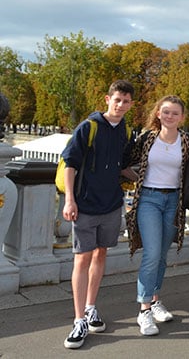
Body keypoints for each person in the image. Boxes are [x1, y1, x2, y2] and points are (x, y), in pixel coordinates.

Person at [61, 80, 135, 349]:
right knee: (81, 259)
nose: (120, 105)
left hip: (111, 203)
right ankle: (79, 319)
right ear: (107, 99)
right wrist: (70, 200)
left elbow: (122, 165)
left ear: (131, 104)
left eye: (126, 101)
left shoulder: (124, 130)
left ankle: (91, 306)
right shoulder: (88, 127)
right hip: (85, 204)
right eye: (117, 100)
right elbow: (70, 164)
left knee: (101, 253)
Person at [125, 96, 189, 336]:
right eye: (166, 112)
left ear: (182, 117)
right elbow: (125, 161)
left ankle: (155, 299)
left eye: (175, 113)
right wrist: (139, 180)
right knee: (152, 253)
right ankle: (144, 309)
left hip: (173, 201)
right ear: (158, 114)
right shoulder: (147, 139)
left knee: (162, 255)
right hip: (149, 200)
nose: (170, 117)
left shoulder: (187, 141)